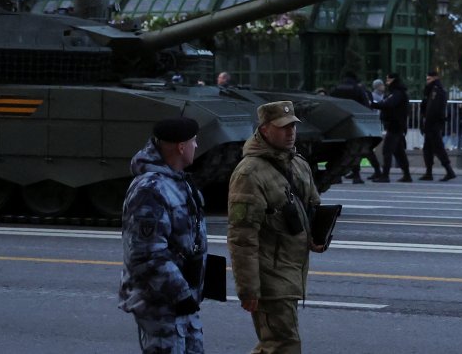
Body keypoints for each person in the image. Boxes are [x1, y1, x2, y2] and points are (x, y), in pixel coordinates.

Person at [227, 101, 326, 353]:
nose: (290, 131)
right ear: (264, 129)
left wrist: (317, 235)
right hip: (270, 277)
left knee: (276, 345)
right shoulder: (249, 174)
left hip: (291, 271)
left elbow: (312, 206)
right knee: (284, 344)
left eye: (293, 125)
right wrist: (248, 289)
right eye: (283, 127)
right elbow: (242, 237)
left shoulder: (298, 163)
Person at [119, 116, 209, 354]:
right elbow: (146, 255)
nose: (196, 147)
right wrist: (181, 294)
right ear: (181, 147)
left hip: (181, 302)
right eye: (194, 141)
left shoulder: (177, 182)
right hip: (162, 304)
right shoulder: (150, 189)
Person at [330, 70, 381, 183]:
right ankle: (356, 175)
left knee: (339, 150)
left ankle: (337, 176)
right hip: (355, 123)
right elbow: (365, 106)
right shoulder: (357, 89)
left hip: (339, 122)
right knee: (354, 149)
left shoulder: (336, 88)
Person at [372, 73, 413, 183]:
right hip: (395, 125)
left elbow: (388, 104)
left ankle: (385, 175)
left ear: (393, 80)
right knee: (399, 152)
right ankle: (407, 175)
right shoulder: (396, 92)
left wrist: (374, 105)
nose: (386, 82)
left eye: (388, 80)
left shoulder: (397, 93)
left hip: (395, 125)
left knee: (387, 150)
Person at [420, 70, 456, 181]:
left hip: (433, 123)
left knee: (438, 148)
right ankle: (429, 172)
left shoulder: (436, 90)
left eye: (429, 79)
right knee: (428, 149)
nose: (427, 81)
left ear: (435, 78)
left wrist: (427, 122)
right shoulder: (432, 90)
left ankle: (449, 171)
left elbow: (433, 108)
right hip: (431, 123)